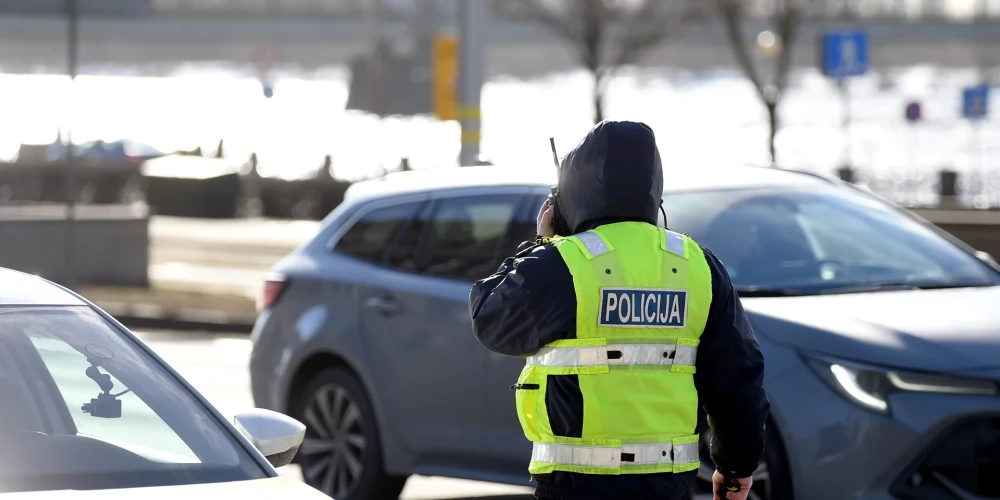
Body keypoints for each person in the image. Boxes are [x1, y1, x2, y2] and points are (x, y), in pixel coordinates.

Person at [468, 121, 769, 500]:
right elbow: (738, 377)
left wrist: (542, 242)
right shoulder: (698, 265)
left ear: (573, 193)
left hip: (577, 484)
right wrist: (736, 467)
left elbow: (489, 319)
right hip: (668, 482)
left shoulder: (563, 264)